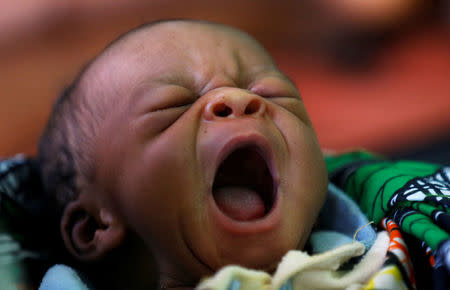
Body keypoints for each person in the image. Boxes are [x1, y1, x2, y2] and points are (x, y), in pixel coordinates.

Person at [1, 19, 447, 289]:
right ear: (95, 223)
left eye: (269, 91)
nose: (238, 98)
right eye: (172, 106)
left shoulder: (377, 251)